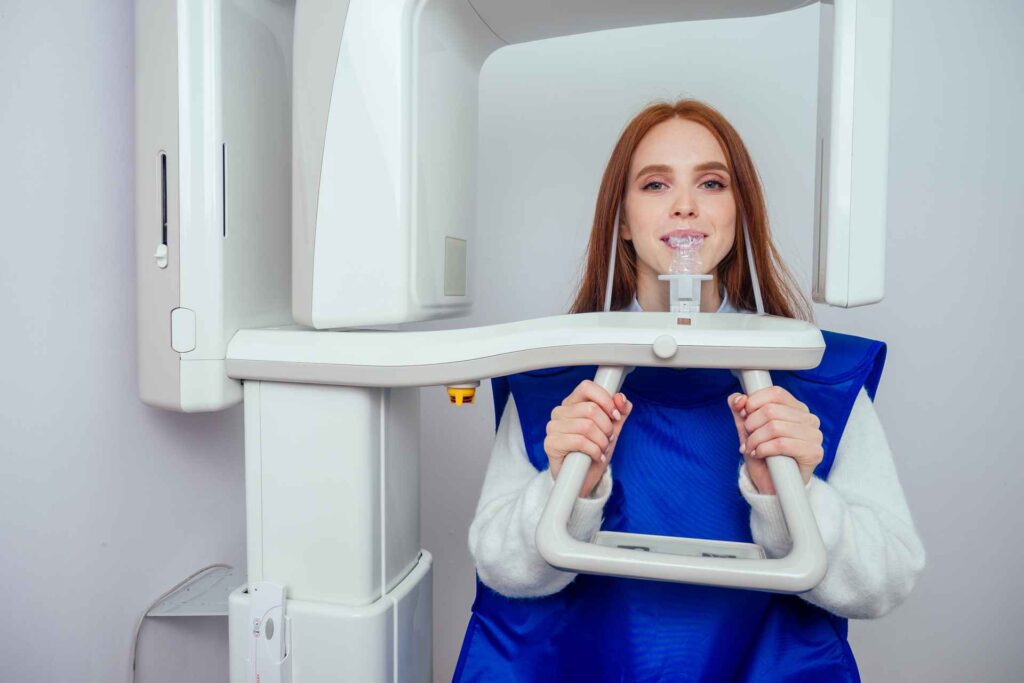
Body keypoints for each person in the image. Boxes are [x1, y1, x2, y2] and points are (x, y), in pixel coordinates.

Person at [453, 99, 925, 682]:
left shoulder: (816, 379)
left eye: (711, 182)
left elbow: (885, 583)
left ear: (739, 211)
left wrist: (791, 493)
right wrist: (567, 484)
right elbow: (502, 569)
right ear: (621, 219)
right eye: (654, 184)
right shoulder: (557, 379)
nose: (684, 205)